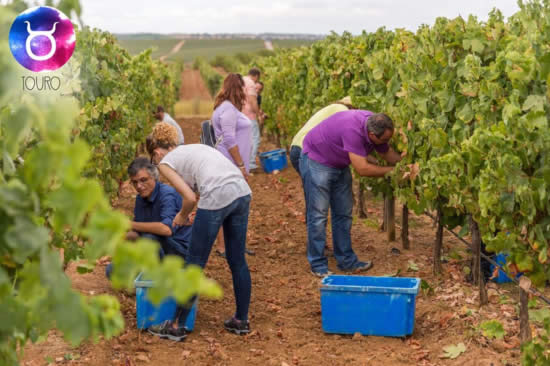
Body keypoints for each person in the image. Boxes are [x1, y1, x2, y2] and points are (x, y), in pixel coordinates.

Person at [145, 123, 252, 341]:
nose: (157, 166)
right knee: (237, 260)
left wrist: (182, 216)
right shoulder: (194, 149)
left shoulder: (166, 163)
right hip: (241, 192)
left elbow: (190, 198)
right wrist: (195, 212)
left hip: (217, 194)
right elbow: (202, 187)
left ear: (157, 152)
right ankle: (241, 320)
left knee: (194, 264)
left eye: (153, 161)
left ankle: (176, 325)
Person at [300, 111, 404, 277]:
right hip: (317, 160)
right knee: (318, 215)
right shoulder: (353, 131)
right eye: (383, 140)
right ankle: (317, 264)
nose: (386, 143)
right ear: (371, 135)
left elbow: (387, 153)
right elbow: (362, 169)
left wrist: (404, 166)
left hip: (339, 163)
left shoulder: (374, 123)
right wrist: (394, 172)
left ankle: (347, 261)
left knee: (343, 213)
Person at [105, 156, 191, 279]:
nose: (139, 186)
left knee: (149, 239)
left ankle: (156, 280)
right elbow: (136, 233)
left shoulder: (167, 194)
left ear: (154, 177)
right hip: (156, 250)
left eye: (143, 180)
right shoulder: (141, 198)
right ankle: (147, 278)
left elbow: (166, 229)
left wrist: (130, 224)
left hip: (178, 252)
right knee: (111, 270)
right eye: (135, 182)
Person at [211, 73, 253, 258]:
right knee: (229, 205)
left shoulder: (228, 108)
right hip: (229, 164)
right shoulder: (227, 109)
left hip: (230, 163)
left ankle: (233, 246)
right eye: (243, 87)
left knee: (233, 204)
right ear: (237, 88)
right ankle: (223, 247)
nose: (245, 90)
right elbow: (229, 138)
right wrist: (241, 164)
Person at [289, 96, 353, 176]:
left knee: (315, 186)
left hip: (297, 148)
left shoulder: (331, 109)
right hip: (307, 150)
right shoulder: (342, 109)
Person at [241, 68, 261, 171]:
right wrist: (259, 114)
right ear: (256, 76)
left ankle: (244, 163)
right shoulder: (251, 83)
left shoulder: (241, 80)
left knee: (244, 139)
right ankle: (251, 164)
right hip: (249, 116)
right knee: (255, 138)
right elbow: (253, 101)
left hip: (240, 114)